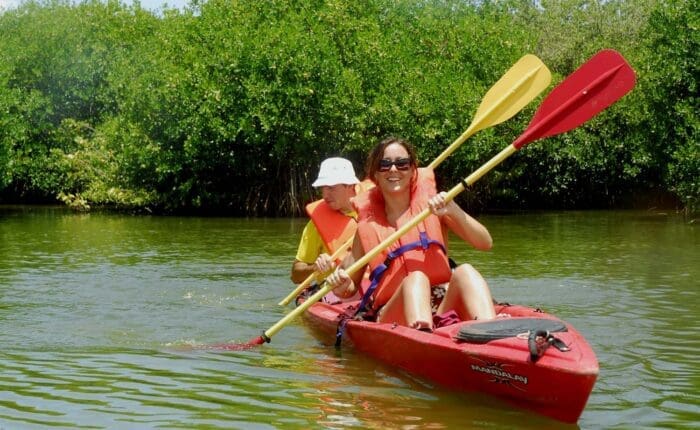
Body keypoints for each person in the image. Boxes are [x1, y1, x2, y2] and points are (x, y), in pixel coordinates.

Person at [326, 137, 497, 330]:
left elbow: (485, 243)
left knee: (465, 271)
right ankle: (422, 338)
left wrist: (453, 210)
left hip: (439, 306)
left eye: (402, 164)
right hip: (394, 312)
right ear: (375, 174)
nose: (393, 170)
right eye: (384, 164)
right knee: (415, 279)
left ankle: (490, 333)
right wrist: (339, 285)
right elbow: (348, 288)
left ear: (412, 170)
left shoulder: (434, 208)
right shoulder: (367, 225)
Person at [291, 157, 360, 290]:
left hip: (369, 288)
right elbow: (295, 276)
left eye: (331, 187)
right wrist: (315, 267)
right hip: (332, 291)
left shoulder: (376, 213)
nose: (325, 194)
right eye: (323, 188)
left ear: (350, 185)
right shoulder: (315, 225)